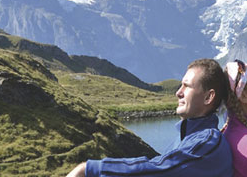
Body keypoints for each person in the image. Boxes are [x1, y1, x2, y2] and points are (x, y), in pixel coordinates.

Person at [67, 59, 233, 177]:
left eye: (187, 86)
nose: (178, 92)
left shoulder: (209, 143)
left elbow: (160, 169)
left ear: (208, 98)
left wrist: (90, 169)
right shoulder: (186, 140)